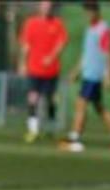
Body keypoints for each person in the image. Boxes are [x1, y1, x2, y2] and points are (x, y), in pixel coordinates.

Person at [63, 1, 110, 152]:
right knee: (99, 107)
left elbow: (107, 52)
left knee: (81, 103)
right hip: (87, 72)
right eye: (86, 11)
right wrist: (76, 71)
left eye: (91, 10)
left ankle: (74, 137)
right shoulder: (89, 29)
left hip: (94, 74)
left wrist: (108, 74)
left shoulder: (103, 29)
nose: (88, 14)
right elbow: (86, 54)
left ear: (97, 11)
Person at [18, 1, 67, 143]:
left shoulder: (57, 23)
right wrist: (22, 63)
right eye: (44, 5)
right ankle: (33, 130)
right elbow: (26, 45)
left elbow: (62, 42)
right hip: (34, 69)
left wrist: (52, 57)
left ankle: (50, 129)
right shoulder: (31, 23)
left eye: (49, 5)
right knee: (33, 97)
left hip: (51, 70)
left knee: (50, 99)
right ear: (39, 6)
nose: (47, 8)